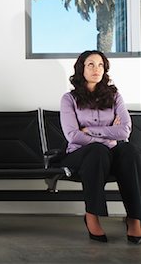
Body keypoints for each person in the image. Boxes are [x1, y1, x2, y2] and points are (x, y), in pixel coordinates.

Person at [59, 50, 141, 244]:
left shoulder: (115, 96)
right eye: (91, 65)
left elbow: (125, 132)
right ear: (81, 68)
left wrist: (89, 130)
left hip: (109, 153)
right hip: (80, 154)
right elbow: (72, 135)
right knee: (98, 151)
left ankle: (135, 217)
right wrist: (107, 132)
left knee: (129, 150)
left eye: (100, 65)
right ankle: (92, 215)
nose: (96, 69)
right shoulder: (69, 99)